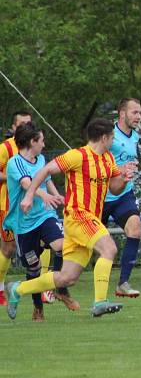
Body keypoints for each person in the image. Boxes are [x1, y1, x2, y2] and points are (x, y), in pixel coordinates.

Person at [5, 118, 136, 319]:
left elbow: (114, 188)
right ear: (104, 137)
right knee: (109, 248)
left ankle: (18, 289)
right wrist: (30, 195)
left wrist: (124, 179)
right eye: (112, 138)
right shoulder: (78, 155)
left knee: (67, 278)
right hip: (78, 216)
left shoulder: (108, 159)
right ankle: (100, 302)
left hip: (90, 219)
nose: (113, 142)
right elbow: (46, 170)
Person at [3, 123, 80, 320]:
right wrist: (43, 196)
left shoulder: (41, 159)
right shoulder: (15, 162)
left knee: (62, 246)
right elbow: (27, 183)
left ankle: (61, 289)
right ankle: (38, 308)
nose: (44, 144)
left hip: (45, 216)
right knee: (33, 267)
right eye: (42, 141)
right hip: (24, 224)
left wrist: (56, 196)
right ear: (32, 142)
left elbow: (46, 180)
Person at [102, 98, 141, 298]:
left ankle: (123, 283)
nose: (138, 117)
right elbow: (96, 162)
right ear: (122, 114)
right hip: (101, 196)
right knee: (82, 246)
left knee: (135, 229)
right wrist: (119, 170)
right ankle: (56, 280)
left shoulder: (135, 136)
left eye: (140, 113)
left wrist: (126, 175)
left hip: (124, 194)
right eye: (135, 112)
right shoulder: (108, 136)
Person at [0, 110, 32, 306]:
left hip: (30, 206)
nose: (25, 128)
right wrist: (15, 176)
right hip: (8, 205)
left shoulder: (34, 145)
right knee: (9, 248)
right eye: (21, 125)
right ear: (13, 128)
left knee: (44, 243)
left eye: (29, 124)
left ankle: (42, 289)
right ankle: (1, 289)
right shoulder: (5, 148)